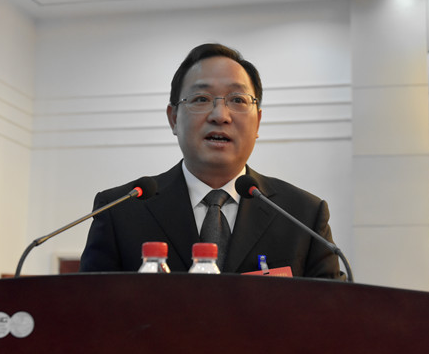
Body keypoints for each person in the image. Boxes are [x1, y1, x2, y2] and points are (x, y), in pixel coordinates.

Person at [79, 43, 344, 279]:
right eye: (201, 99)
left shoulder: (303, 216)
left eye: (237, 100)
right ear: (173, 118)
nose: (220, 115)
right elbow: (89, 310)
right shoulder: (120, 212)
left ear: (258, 122)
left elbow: (334, 311)